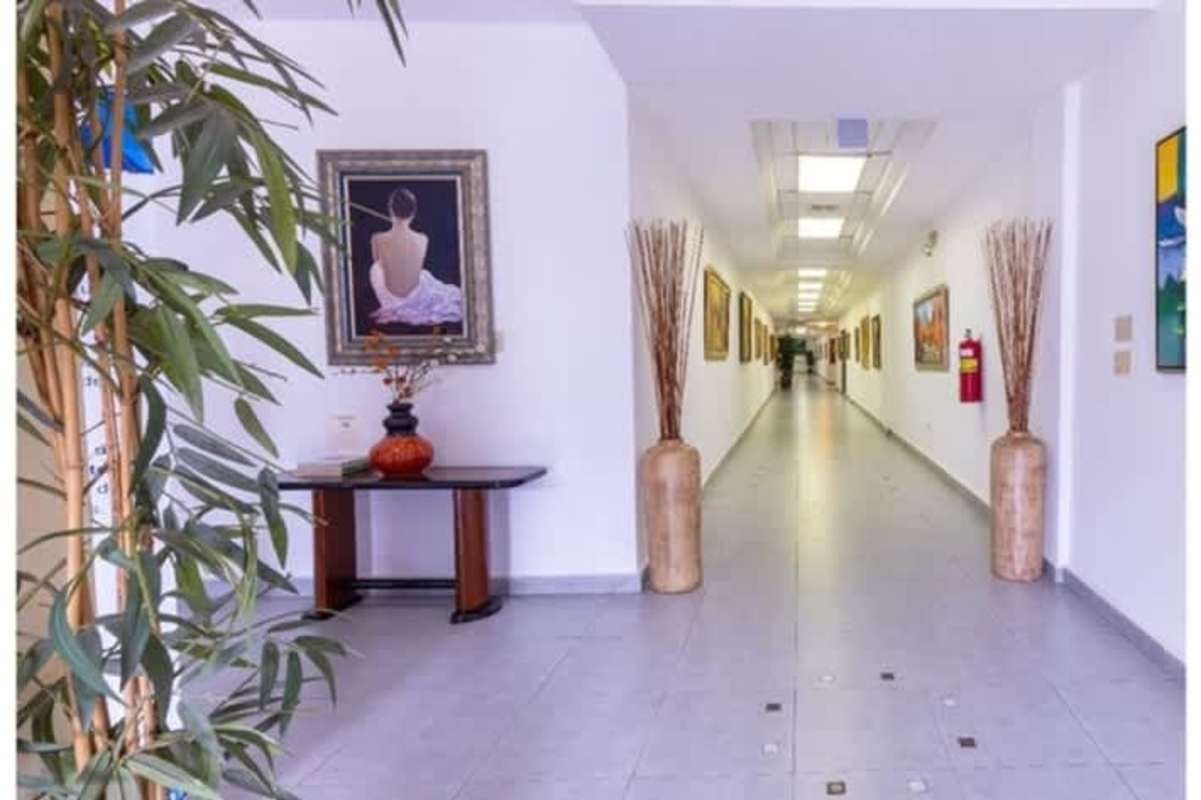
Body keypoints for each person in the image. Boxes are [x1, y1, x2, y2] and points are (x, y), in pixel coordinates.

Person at [368, 187, 463, 326]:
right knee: (424, 275)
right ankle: (403, 304)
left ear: (390, 210)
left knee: (376, 267)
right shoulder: (423, 239)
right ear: (413, 213)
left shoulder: (377, 238)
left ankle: (393, 306)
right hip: (414, 295)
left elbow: (378, 265)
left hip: (390, 297)